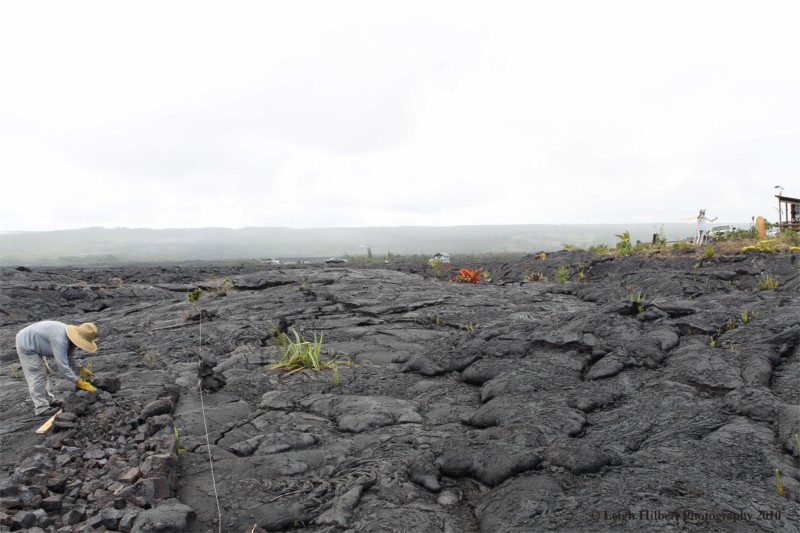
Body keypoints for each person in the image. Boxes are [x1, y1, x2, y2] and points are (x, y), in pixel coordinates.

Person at [15, 321, 98, 417]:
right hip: (26, 344)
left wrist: (83, 372)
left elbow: (70, 359)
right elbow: (63, 366)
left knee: (45, 372)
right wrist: (78, 381)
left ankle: (50, 401)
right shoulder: (60, 340)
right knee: (37, 374)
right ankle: (41, 408)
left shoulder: (70, 339)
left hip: (35, 342)